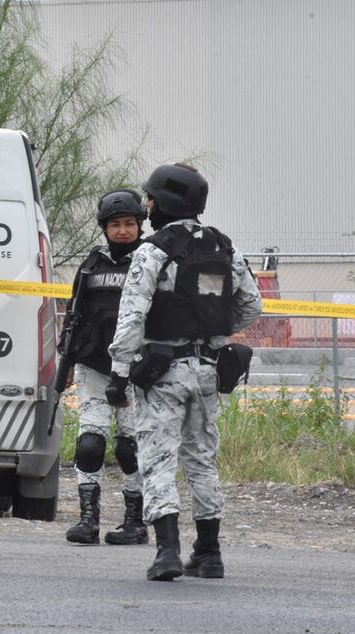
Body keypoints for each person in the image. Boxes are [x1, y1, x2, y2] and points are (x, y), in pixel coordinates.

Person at [105, 163, 263, 581]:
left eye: (150, 199)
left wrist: (119, 372)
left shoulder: (153, 250)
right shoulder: (225, 247)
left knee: (157, 458)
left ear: (165, 201)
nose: (147, 206)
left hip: (161, 372)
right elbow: (252, 306)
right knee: (202, 459)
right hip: (209, 370)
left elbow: (132, 315)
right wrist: (210, 331)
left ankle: (168, 553)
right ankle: (209, 554)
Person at [61, 189, 149, 546]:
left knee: (129, 448)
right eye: (116, 225)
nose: (123, 230)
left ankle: (135, 521)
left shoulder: (148, 262)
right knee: (89, 445)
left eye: (129, 223)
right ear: (104, 228)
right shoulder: (92, 264)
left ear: (140, 224)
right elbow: (73, 313)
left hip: (136, 370)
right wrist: (64, 361)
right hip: (93, 365)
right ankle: (88, 520)